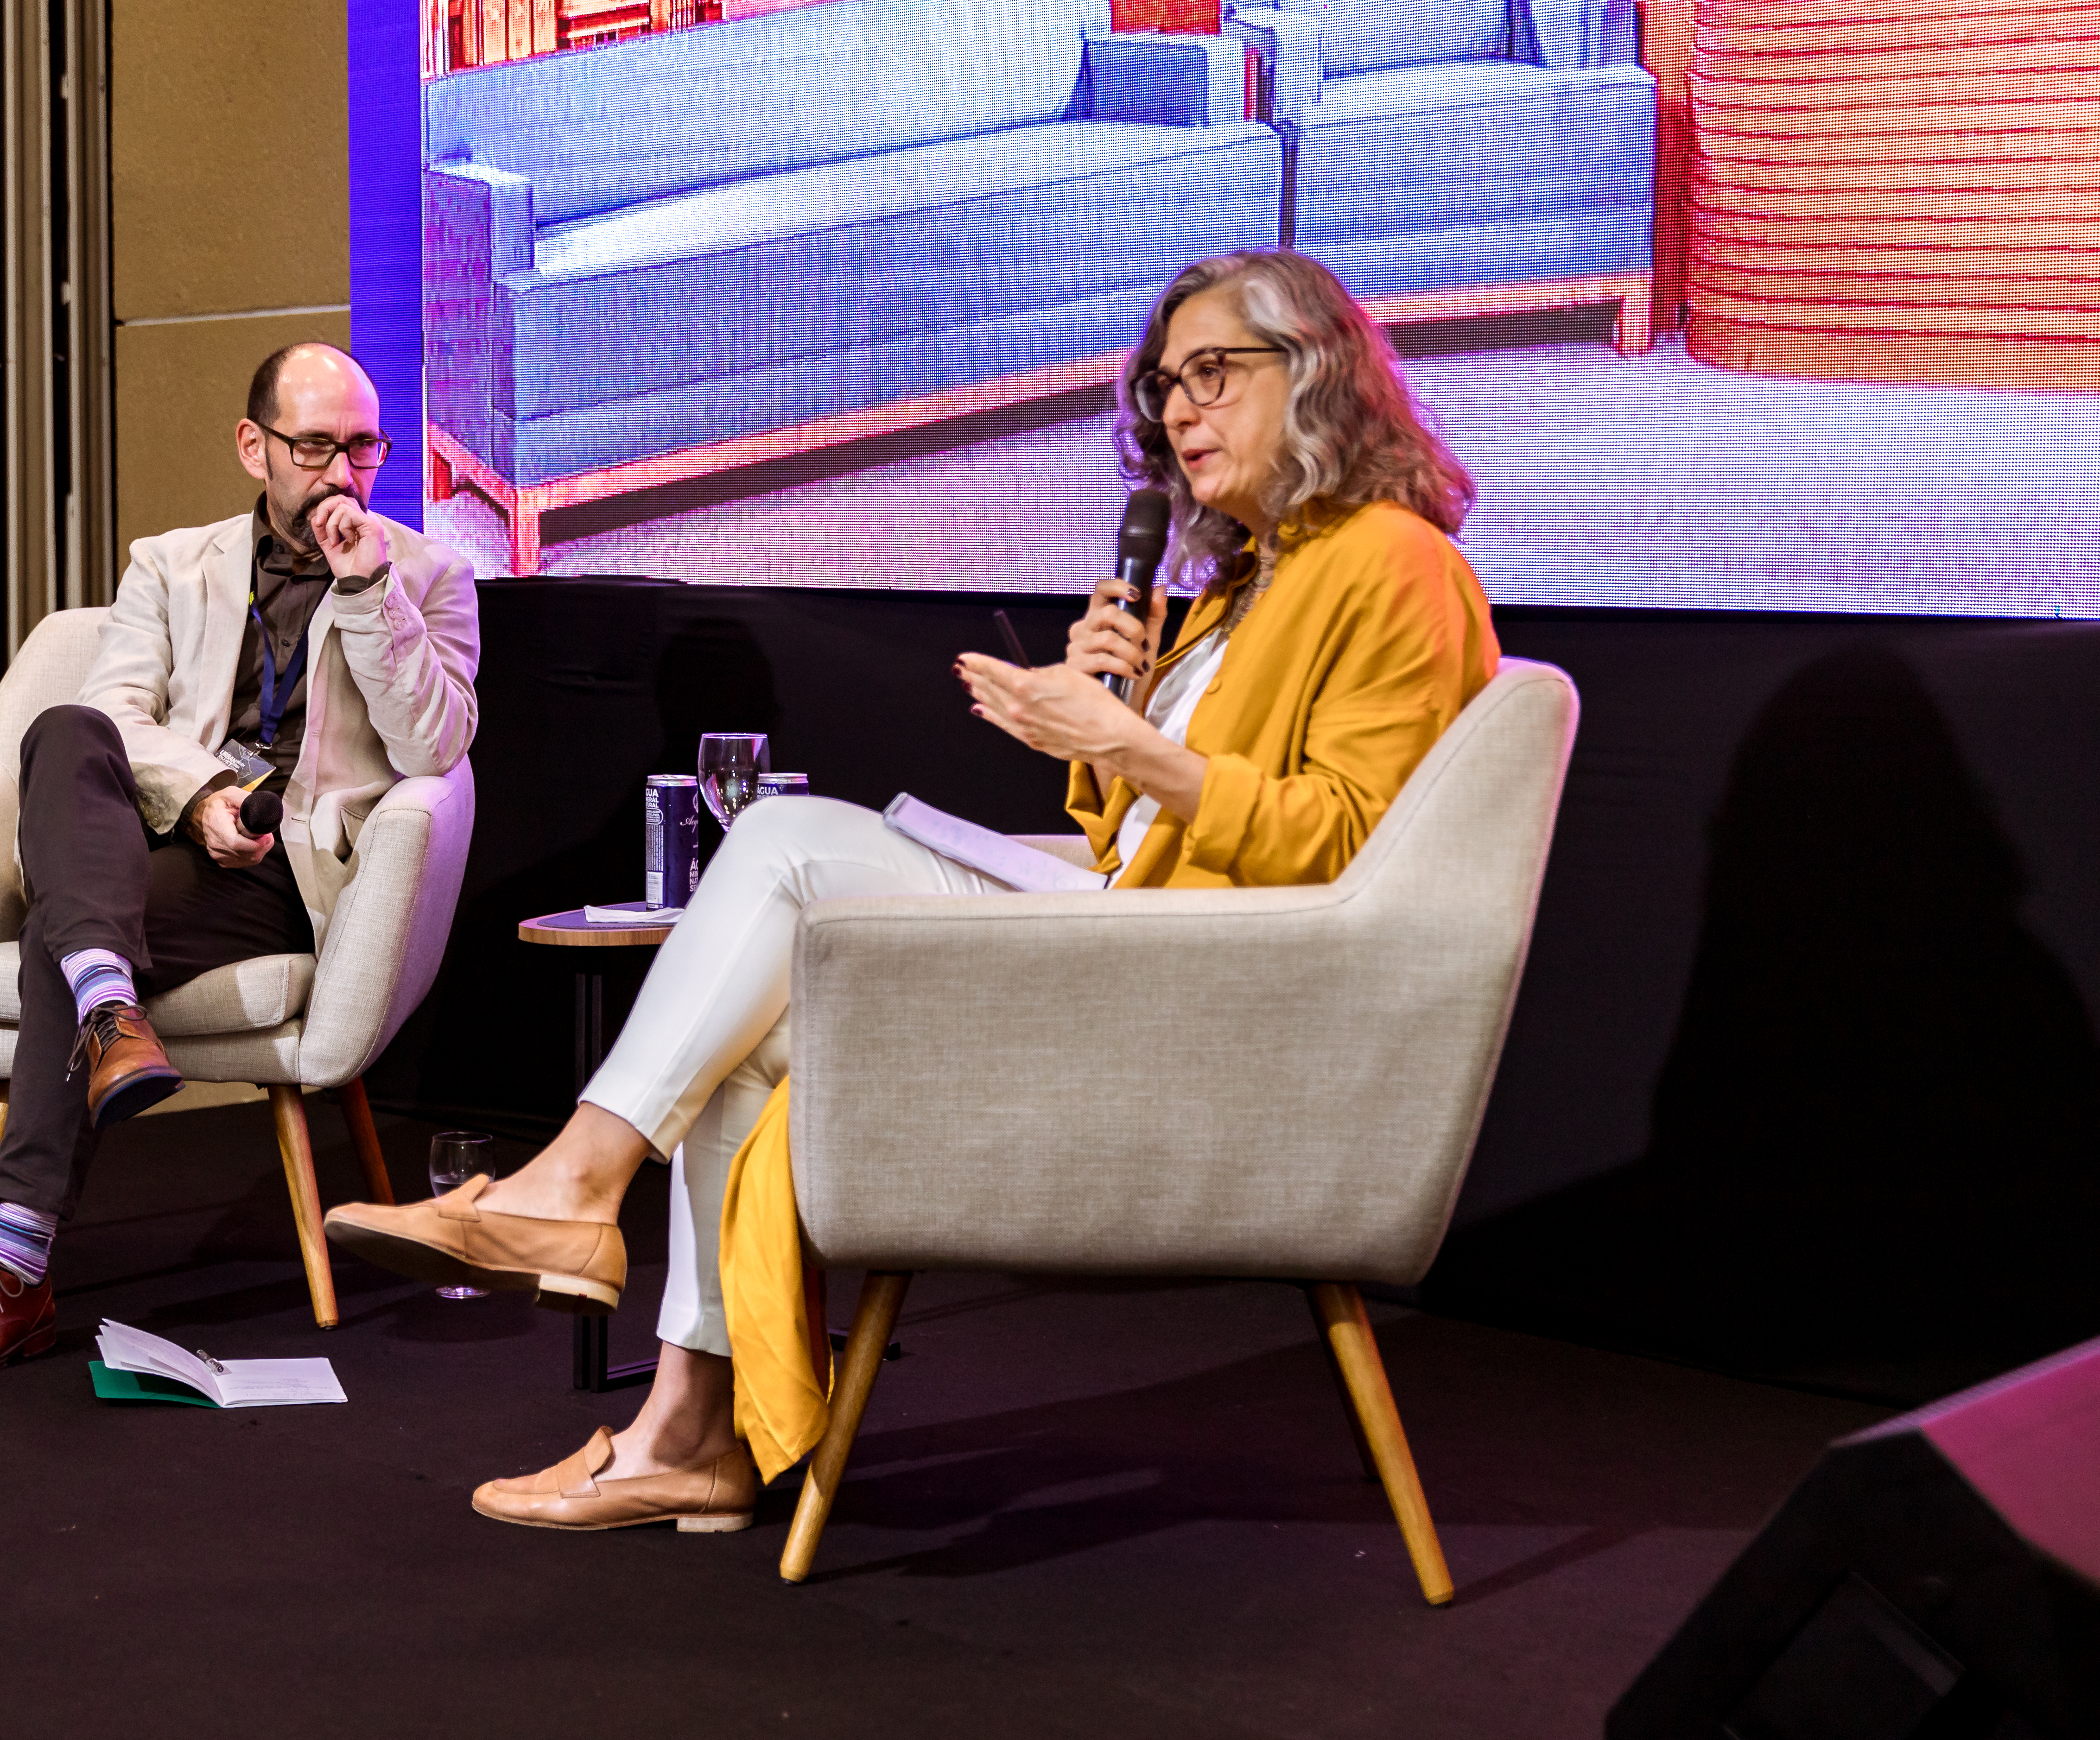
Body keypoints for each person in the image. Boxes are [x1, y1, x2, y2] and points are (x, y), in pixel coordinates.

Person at [324, 250, 1497, 1529]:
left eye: (1214, 374)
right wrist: (1111, 724)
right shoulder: (1240, 586)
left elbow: (1346, 852)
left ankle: (573, 1188)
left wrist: (1129, 743)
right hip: (1155, 939)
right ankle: (685, 1430)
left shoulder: (1395, 565)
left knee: (781, 849)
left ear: (1317, 373)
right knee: (753, 1030)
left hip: (1213, 999)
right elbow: (1143, 832)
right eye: (1165, 385)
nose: (1178, 412)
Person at [0, 342, 478, 1377]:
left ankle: (12, 1270)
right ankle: (111, 1008)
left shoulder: (425, 574)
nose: (341, 474)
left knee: (62, 933)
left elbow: (433, 748)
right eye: (314, 446)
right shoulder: (171, 564)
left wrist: (368, 590)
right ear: (255, 446)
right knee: (65, 729)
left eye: (361, 449)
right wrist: (199, 798)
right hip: (165, 838)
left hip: (290, 869)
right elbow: (115, 712)